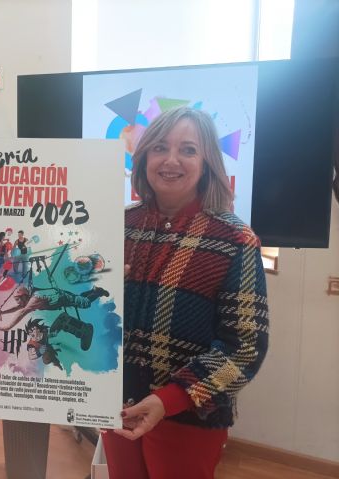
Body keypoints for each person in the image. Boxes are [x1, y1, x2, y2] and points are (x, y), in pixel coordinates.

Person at [102, 107, 269, 479]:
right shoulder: (117, 224)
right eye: (160, 147)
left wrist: (170, 399)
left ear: (207, 162)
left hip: (188, 416)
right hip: (115, 405)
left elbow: (245, 347)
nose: (171, 160)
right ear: (144, 158)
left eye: (188, 150)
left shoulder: (236, 239)